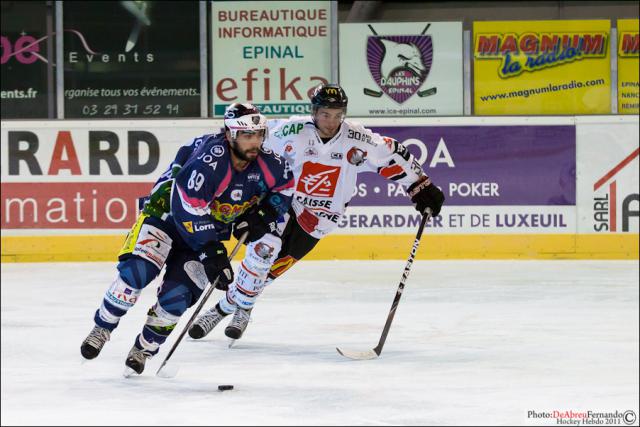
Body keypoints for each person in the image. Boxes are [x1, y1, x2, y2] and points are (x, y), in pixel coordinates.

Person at [187, 83, 445, 342]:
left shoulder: (357, 139)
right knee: (262, 252)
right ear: (314, 112)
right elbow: (252, 144)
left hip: (321, 219)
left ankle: (231, 307)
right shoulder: (291, 131)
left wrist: (421, 187)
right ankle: (229, 311)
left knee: (270, 271)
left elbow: (391, 153)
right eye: (325, 114)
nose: (331, 121)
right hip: (285, 202)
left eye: (337, 115)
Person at [80, 103, 294, 375]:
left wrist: (262, 215)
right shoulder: (211, 160)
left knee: (177, 298)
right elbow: (187, 206)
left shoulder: (270, 163)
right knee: (136, 273)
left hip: (207, 234)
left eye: (258, 135)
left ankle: (144, 349)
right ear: (229, 135)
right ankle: (102, 327)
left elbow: (286, 188)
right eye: (246, 135)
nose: (254, 142)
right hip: (166, 217)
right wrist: (210, 251)